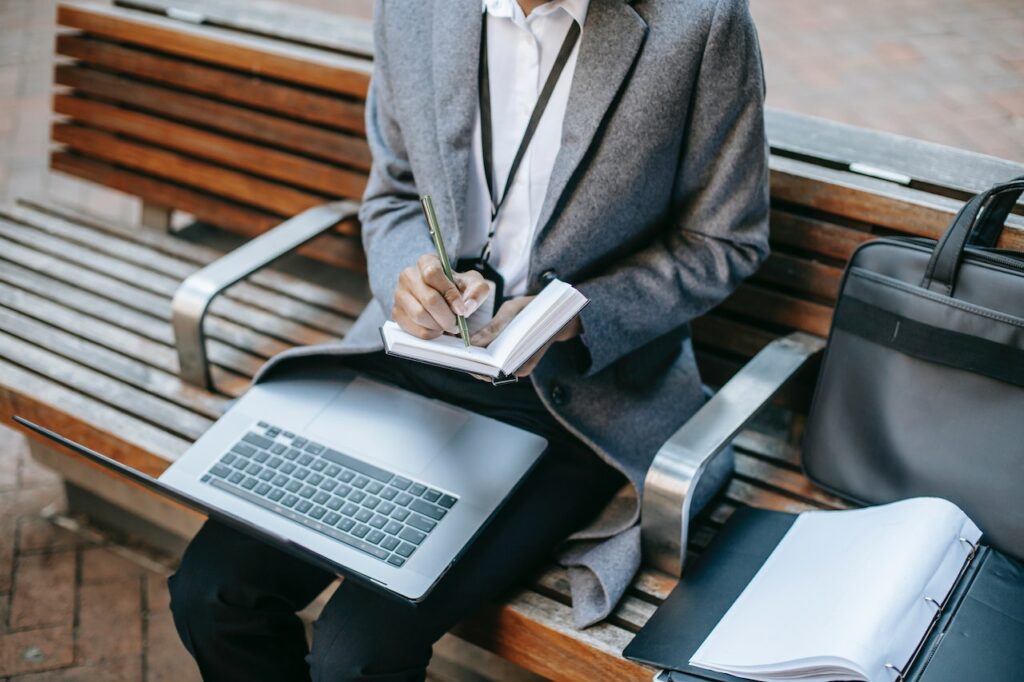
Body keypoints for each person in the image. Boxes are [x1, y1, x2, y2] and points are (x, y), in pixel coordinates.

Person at [168, 0, 770, 679]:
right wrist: (406, 276)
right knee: (210, 596)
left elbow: (724, 241)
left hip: (572, 396)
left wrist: (574, 314)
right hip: (410, 361)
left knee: (355, 656)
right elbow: (395, 191)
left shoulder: (703, 21)